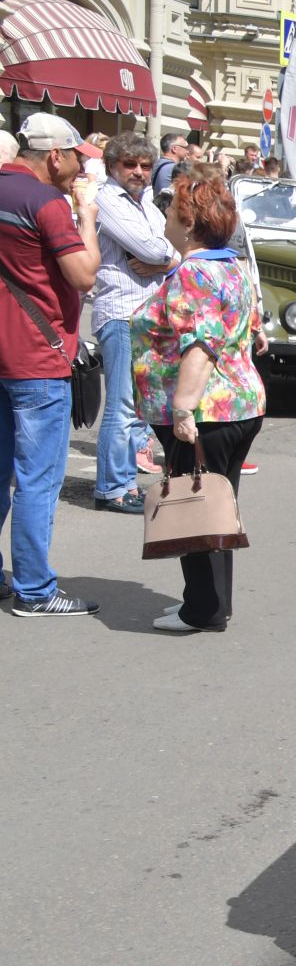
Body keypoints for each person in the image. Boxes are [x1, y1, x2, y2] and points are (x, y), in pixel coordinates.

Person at [130, 163, 267, 633]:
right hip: (238, 404)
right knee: (215, 505)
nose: (164, 217)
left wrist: (183, 408)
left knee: (195, 506)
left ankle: (202, 610)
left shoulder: (194, 272)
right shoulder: (231, 265)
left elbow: (201, 345)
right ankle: (212, 603)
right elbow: (246, 330)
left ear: (189, 223)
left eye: (169, 209)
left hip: (207, 408)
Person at [2, 113, 101, 617]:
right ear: (54, 156)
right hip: (38, 357)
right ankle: (35, 590)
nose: (80, 166)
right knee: (37, 480)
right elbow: (84, 275)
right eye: (76, 156)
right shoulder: (47, 203)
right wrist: (85, 214)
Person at [91, 132, 176, 513]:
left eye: (145, 166)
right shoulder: (108, 199)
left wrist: (164, 261)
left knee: (137, 407)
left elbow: (174, 247)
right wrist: (164, 256)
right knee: (123, 406)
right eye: (130, 165)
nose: (139, 172)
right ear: (112, 166)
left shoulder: (146, 205)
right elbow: (155, 247)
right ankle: (112, 488)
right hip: (122, 312)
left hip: (146, 312)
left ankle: (123, 481)